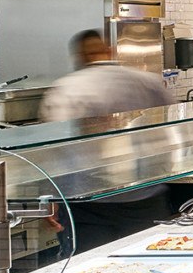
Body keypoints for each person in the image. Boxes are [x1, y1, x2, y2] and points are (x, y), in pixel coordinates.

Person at [39, 30, 175, 253]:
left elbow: (53, 148)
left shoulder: (66, 88)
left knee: (89, 271)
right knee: (147, 262)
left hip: (89, 201)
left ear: (79, 57)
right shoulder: (148, 82)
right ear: (109, 51)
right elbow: (170, 129)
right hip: (144, 196)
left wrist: (49, 197)